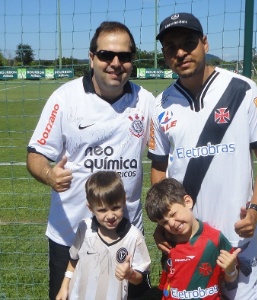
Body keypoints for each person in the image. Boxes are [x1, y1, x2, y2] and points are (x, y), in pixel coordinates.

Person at [147, 12, 257, 300]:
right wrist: (162, 223)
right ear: (165, 55)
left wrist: (255, 210)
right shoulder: (160, 106)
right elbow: (158, 170)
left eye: (189, 43)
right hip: (187, 245)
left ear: (204, 43)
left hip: (237, 242)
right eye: (171, 47)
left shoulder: (242, 90)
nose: (181, 52)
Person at [26, 21, 154, 299]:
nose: (116, 63)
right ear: (92, 57)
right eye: (107, 55)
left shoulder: (146, 102)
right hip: (70, 235)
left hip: (126, 236)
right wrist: (49, 175)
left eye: (125, 56)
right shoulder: (65, 98)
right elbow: (35, 154)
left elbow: (166, 152)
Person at [55, 171, 151, 300]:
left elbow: (140, 278)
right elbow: (73, 260)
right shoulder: (84, 228)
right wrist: (64, 285)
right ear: (90, 207)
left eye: (115, 207)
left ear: (123, 200)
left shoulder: (134, 236)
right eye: (102, 210)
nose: (110, 215)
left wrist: (130, 274)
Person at [145, 178, 241, 300]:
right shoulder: (167, 243)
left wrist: (231, 269)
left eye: (173, 214)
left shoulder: (215, 239)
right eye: (164, 223)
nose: (172, 224)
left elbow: (231, 279)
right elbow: (166, 283)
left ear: (188, 202)